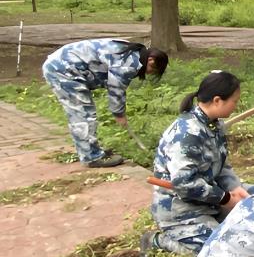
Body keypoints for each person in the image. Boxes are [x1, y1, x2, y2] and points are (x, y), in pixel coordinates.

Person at [143, 71, 254, 257]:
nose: (236, 106)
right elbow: (185, 184)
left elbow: (222, 165)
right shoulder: (186, 134)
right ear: (217, 100)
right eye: (234, 101)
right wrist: (225, 198)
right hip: (183, 210)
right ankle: (158, 242)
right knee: (224, 251)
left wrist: (235, 187)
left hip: (210, 199)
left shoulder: (214, 125)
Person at [41, 39, 168, 168]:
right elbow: (116, 89)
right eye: (154, 70)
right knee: (82, 114)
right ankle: (91, 157)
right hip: (63, 70)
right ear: (151, 61)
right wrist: (119, 114)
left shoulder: (132, 53)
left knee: (86, 112)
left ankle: (92, 150)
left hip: (66, 67)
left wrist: (119, 112)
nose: (150, 73)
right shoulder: (129, 64)